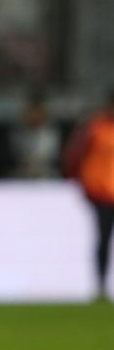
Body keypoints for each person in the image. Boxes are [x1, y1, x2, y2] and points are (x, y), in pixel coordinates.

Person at [63, 91, 114, 301]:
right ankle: (100, 285)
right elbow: (74, 155)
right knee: (103, 237)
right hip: (100, 191)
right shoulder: (95, 127)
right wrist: (78, 179)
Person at [10, 89, 59, 178]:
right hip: (21, 174)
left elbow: (50, 157)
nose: (34, 115)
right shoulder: (17, 132)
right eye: (31, 111)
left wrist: (36, 164)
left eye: (37, 112)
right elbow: (15, 156)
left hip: (45, 174)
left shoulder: (50, 133)